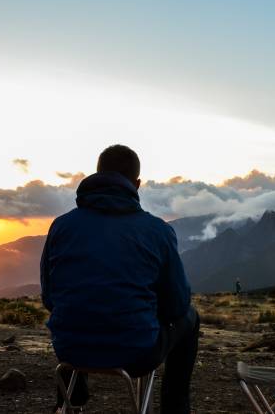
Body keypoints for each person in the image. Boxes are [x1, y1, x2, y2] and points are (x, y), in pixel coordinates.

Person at [40, 144, 199, 414]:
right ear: (137, 184)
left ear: (97, 175)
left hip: (69, 349)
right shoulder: (157, 231)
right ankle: (175, 409)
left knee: (77, 310)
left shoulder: (61, 226)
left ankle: (69, 401)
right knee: (190, 318)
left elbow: (50, 297)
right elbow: (177, 304)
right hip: (136, 353)